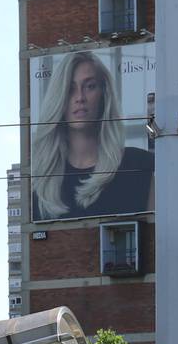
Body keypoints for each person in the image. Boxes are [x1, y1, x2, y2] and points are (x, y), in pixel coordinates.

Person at [30, 49, 155, 221]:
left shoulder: (140, 164)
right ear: (59, 98)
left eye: (89, 86)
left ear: (104, 95)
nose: (79, 97)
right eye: (70, 89)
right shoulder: (41, 184)